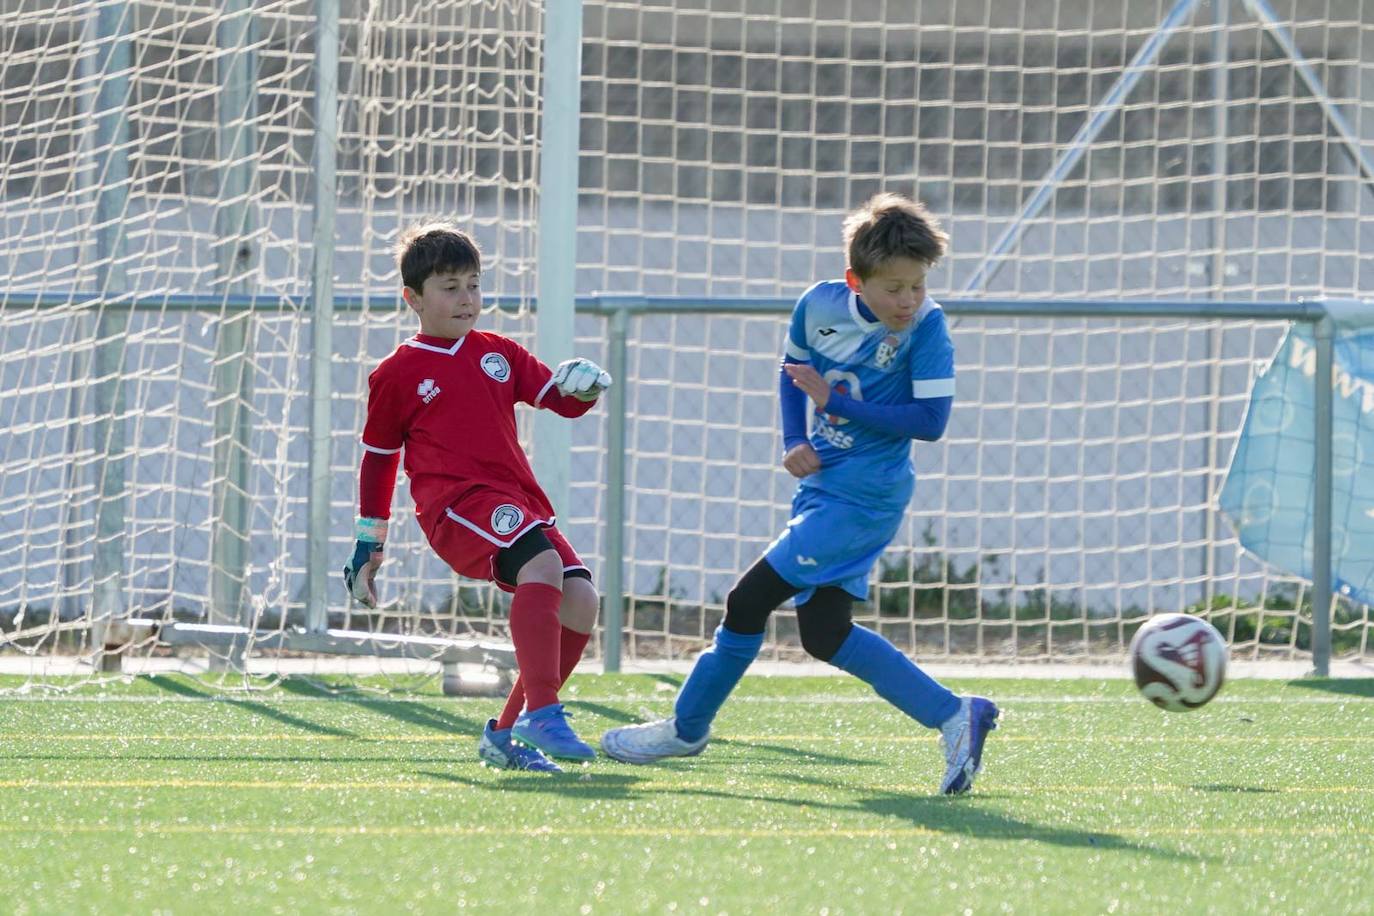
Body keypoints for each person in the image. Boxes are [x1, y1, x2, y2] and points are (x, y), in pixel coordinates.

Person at [600, 193, 998, 794]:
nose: (908, 300)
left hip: (866, 498)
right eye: (894, 287)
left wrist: (835, 404)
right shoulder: (818, 306)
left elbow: (931, 422)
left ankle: (685, 728)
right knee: (824, 633)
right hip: (823, 489)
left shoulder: (928, 327)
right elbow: (793, 374)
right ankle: (952, 714)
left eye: (917, 286)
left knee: (748, 599)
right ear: (854, 280)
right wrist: (793, 438)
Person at [343, 220, 611, 774]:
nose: (467, 299)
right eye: (450, 287)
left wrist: (582, 387)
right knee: (540, 564)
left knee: (582, 600)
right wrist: (370, 541)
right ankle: (543, 710)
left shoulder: (499, 353)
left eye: (473, 284)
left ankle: (507, 735)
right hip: (457, 510)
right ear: (413, 298)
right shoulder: (397, 373)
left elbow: (557, 400)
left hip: (516, 504)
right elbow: (379, 458)